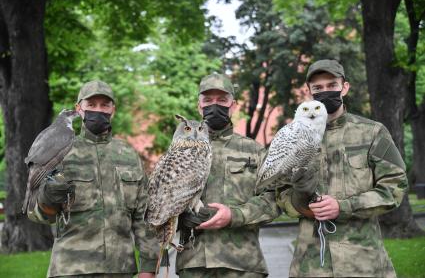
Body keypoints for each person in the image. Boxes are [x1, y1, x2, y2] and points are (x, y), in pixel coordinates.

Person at [277, 59, 407, 277]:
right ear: (308, 91)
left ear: (344, 87)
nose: (325, 91)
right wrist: (301, 206)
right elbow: (279, 191)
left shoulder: (372, 132)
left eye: (332, 85)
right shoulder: (293, 138)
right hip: (311, 264)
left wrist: (343, 206)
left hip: (363, 263)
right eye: (318, 88)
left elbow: (394, 187)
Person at [27, 81, 157, 278]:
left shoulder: (128, 155)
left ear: (113, 110)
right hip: (70, 269)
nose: (98, 110)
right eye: (91, 104)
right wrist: (48, 197)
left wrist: (148, 267)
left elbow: (144, 216)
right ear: (79, 109)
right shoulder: (61, 149)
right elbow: (38, 215)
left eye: (105, 105)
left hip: (119, 269)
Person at [175, 73, 280, 278]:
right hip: (194, 264)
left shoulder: (255, 151)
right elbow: (161, 201)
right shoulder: (181, 150)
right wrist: (180, 216)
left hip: (243, 265)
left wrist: (234, 215)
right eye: (208, 100)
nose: (215, 106)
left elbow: (274, 200)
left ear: (233, 105)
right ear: (199, 106)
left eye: (222, 100)